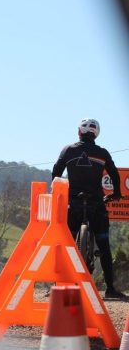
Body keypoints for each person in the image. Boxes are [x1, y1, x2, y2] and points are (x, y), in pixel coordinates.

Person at [52, 118, 125, 299]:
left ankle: (58, 285)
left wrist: (59, 190)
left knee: (64, 243)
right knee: (104, 244)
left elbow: (56, 172)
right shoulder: (102, 153)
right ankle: (110, 289)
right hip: (97, 203)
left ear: (79, 132)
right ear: (96, 134)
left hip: (73, 203)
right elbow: (115, 175)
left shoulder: (68, 150)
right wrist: (115, 193)